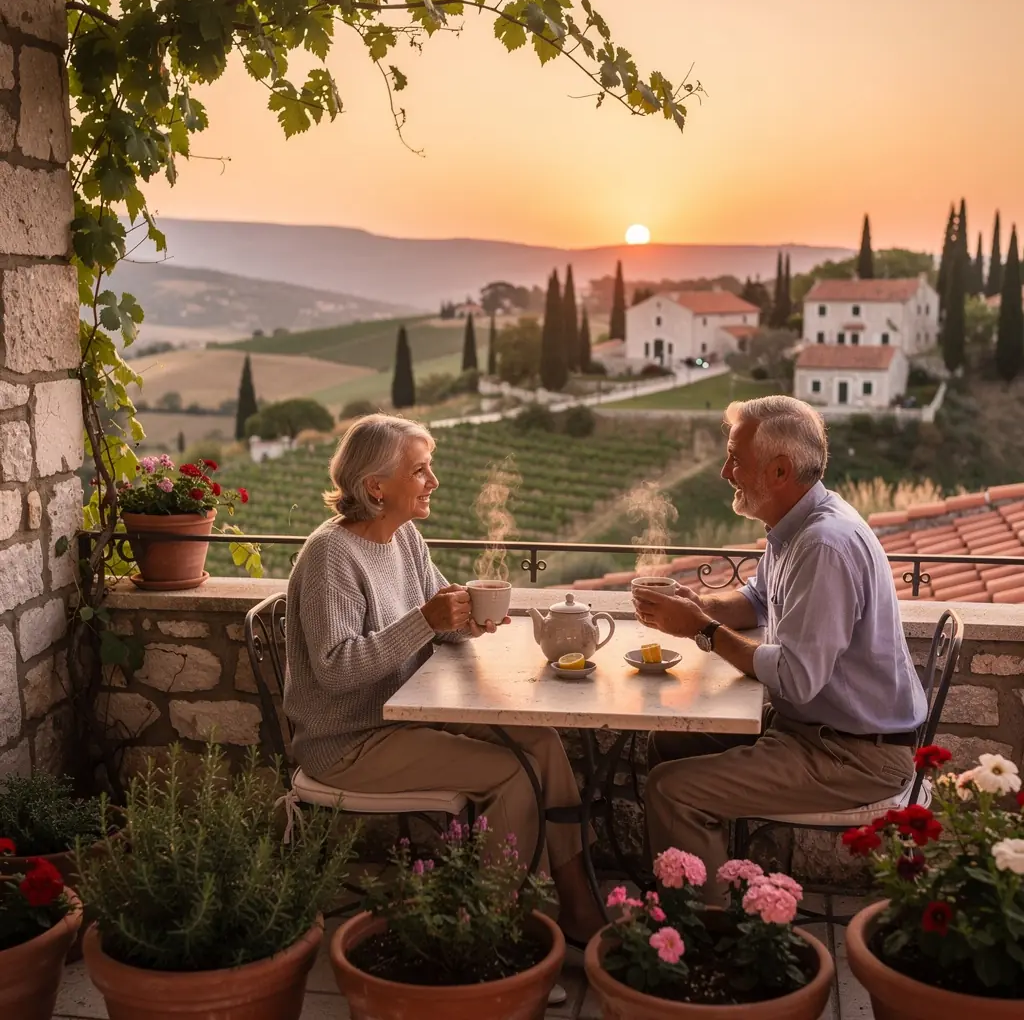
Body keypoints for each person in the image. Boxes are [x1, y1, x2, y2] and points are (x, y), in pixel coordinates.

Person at [284, 413, 605, 945]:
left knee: (545, 746)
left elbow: (434, 622)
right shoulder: (331, 556)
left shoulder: (404, 537)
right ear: (376, 487)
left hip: (407, 717)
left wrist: (468, 622)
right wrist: (427, 621)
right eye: (420, 471)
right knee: (513, 774)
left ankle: (574, 900)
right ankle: (488, 932)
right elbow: (337, 669)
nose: (433, 482)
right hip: (348, 741)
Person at [633, 395, 926, 899]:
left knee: (670, 791)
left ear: (780, 470)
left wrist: (700, 630)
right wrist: (696, 603)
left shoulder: (823, 546)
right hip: (815, 732)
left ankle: (704, 936)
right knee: (668, 744)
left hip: (852, 756)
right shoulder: (794, 525)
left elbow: (794, 677)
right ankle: (710, 883)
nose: (725, 471)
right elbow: (758, 598)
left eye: (735, 459)